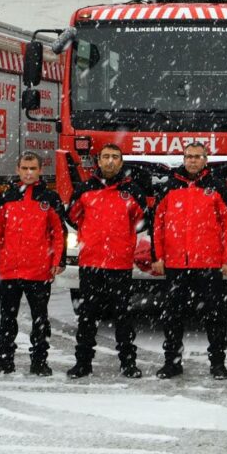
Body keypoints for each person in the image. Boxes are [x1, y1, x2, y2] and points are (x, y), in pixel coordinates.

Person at [65, 143, 151, 379]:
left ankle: (128, 363)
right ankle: (83, 363)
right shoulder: (84, 189)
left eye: (115, 157)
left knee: (123, 316)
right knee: (87, 316)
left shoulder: (132, 190)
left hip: (120, 264)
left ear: (121, 162)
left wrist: (124, 241)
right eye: (106, 157)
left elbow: (142, 220)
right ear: (99, 162)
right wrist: (91, 237)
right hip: (91, 263)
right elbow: (72, 217)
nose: (110, 161)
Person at [152, 141, 227, 380]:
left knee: (215, 316)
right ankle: (172, 362)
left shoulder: (216, 186)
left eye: (198, 157)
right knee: (173, 316)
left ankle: (218, 363)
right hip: (176, 264)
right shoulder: (169, 186)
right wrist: (157, 256)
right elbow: (157, 223)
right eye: (189, 156)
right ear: (183, 158)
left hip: (208, 263)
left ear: (205, 160)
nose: (193, 161)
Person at [0, 152, 67, 377]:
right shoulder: (6, 197)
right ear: (18, 169)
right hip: (10, 270)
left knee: (40, 320)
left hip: (38, 271)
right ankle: (4, 360)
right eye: (24, 168)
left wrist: (58, 260)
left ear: (40, 170)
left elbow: (58, 233)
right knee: (6, 319)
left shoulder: (49, 198)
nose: (28, 173)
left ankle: (39, 360)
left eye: (33, 168)